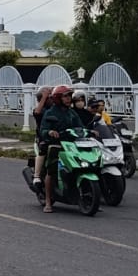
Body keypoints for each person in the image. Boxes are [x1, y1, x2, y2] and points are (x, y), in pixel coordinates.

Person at [36, 82, 88, 213]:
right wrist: (49, 132)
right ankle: (48, 202)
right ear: (58, 98)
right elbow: (43, 130)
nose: (68, 98)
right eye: (65, 96)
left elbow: (81, 127)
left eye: (69, 96)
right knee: (51, 171)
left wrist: (90, 132)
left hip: (72, 144)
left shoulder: (72, 113)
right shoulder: (50, 113)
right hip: (56, 144)